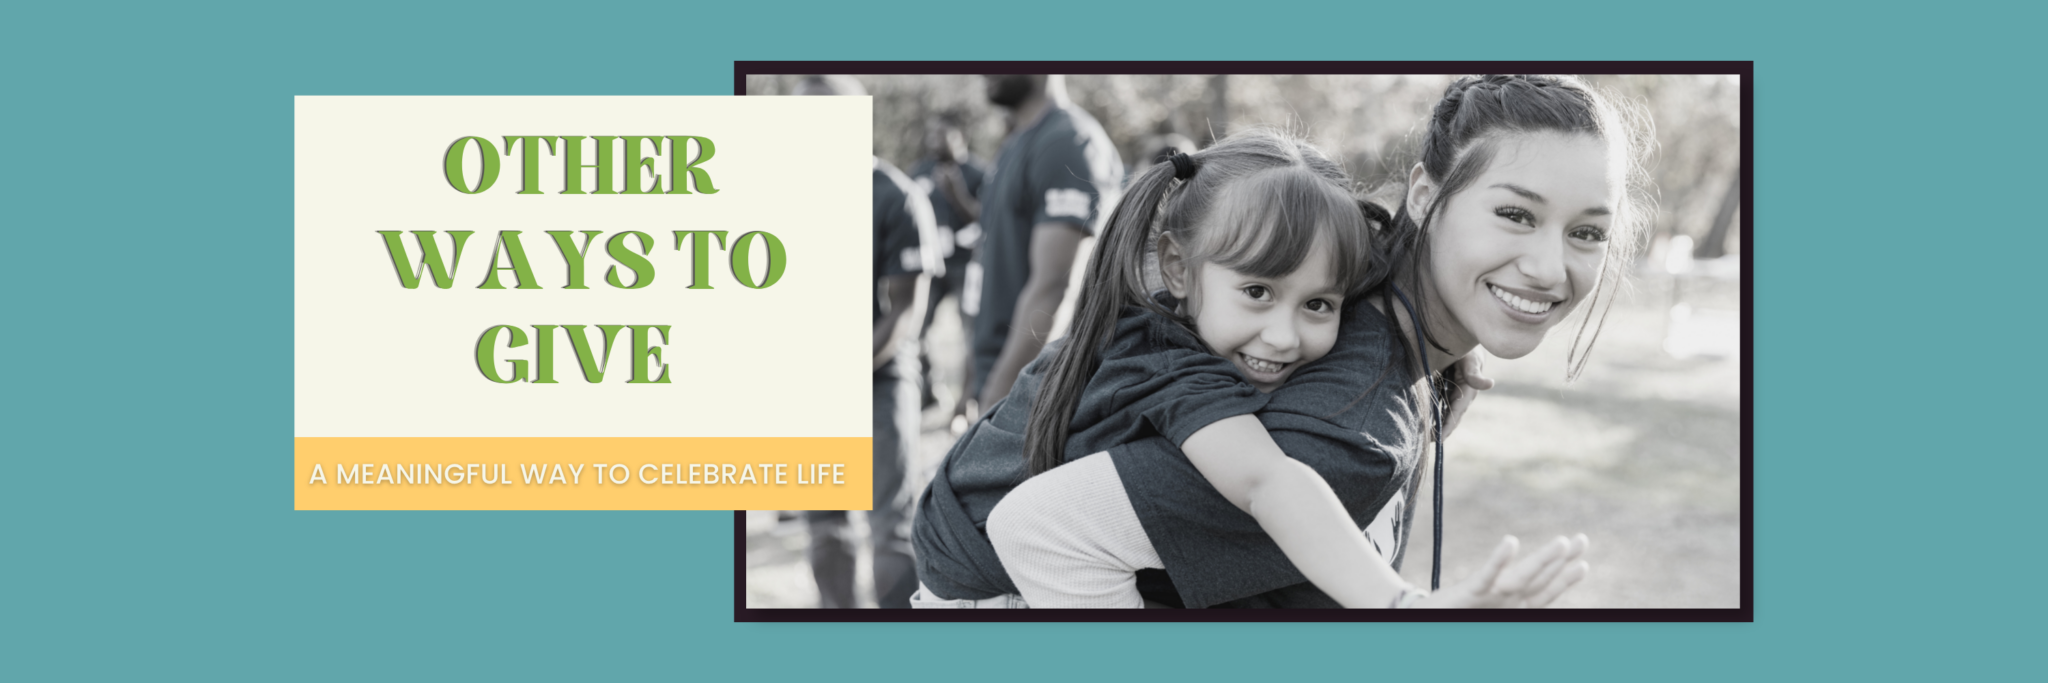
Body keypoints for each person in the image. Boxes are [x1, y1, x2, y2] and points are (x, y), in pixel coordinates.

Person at [917, 74, 1649, 608]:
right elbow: (1044, 527)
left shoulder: (1342, 274)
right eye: (1516, 215)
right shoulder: (1347, 426)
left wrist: (1458, 355)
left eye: (1587, 231)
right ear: (1424, 196)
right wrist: (1403, 607)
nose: (1552, 266)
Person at [794, 75, 940, 608]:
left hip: (880, 378)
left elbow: (905, 310)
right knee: (824, 524)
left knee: (891, 526)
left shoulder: (896, 197)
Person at [968, 74, 1124, 419]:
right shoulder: (1015, 143)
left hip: (1036, 393)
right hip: (1002, 376)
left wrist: (999, 396)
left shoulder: (1067, 141)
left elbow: (1054, 286)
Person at [907, 114, 988, 415]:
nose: (935, 141)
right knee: (915, 327)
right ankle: (929, 389)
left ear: (960, 137)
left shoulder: (979, 173)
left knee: (970, 331)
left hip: (966, 266)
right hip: (929, 266)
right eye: (932, 135)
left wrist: (957, 197)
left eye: (943, 135)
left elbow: (986, 219)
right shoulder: (920, 172)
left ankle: (968, 399)